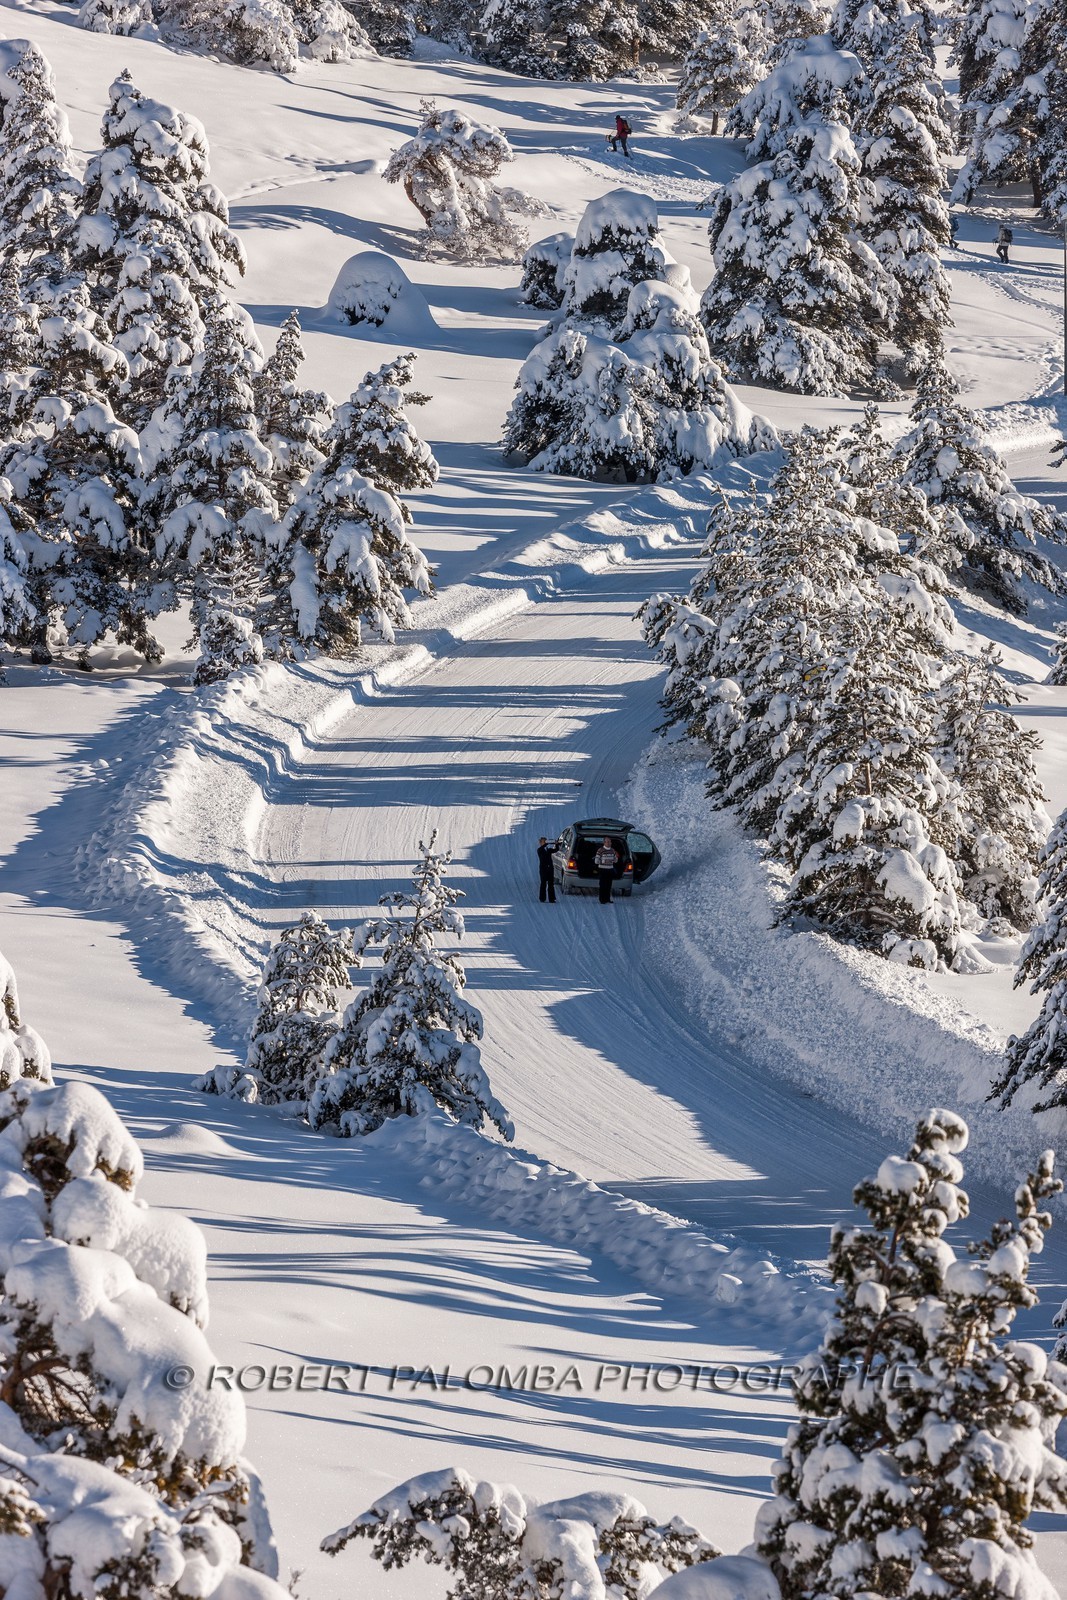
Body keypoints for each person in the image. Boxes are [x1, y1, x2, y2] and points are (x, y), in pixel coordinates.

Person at [595, 837, 619, 904]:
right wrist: (604, 861)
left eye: (610, 842)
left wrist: (614, 860)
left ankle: (607, 899)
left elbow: (616, 860)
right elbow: (596, 861)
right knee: (603, 885)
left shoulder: (613, 850)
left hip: (610, 870)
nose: (609, 843)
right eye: (607, 842)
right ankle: (602, 900)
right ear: (604, 842)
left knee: (609, 885)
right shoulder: (600, 850)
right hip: (602, 870)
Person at [537, 836, 556, 903]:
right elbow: (542, 857)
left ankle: (552, 899)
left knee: (551, 884)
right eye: (543, 841)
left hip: (550, 869)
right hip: (543, 870)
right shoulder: (540, 850)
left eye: (545, 841)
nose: (545, 842)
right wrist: (546, 844)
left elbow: (556, 850)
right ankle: (542, 898)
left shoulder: (548, 849)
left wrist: (556, 843)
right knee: (543, 884)